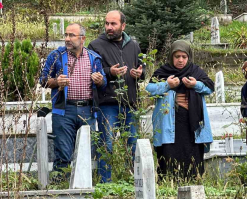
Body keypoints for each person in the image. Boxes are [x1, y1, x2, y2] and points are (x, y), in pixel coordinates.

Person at [40, 23, 106, 177]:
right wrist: (56, 82)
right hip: (64, 110)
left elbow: (104, 84)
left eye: (71, 35)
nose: (67, 39)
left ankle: (83, 187)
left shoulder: (94, 58)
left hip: (87, 110)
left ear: (82, 39)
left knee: (86, 151)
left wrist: (99, 80)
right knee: (63, 152)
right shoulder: (56, 56)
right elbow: (43, 80)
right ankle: (60, 187)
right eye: (66, 35)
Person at [88, 10, 144, 183]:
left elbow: (142, 69)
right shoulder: (95, 45)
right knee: (107, 144)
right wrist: (109, 72)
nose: (109, 27)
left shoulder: (133, 45)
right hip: (108, 103)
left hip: (130, 103)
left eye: (113, 24)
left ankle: (134, 182)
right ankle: (106, 183)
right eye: (107, 24)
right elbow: (91, 72)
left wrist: (139, 74)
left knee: (133, 145)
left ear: (123, 26)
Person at [146, 40, 214, 180]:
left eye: (184, 56)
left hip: (192, 123)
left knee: (192, 152)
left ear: (188, 57)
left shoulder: (195, 71)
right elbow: (150, 90)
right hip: (169, 123)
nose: (180, 60)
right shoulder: (163, 72)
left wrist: (196, 84)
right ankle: (169, 181)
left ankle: (193, 181)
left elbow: (209, 88)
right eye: (177, 56)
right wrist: (167, 85)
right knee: (169, 151)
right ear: (171, 57)